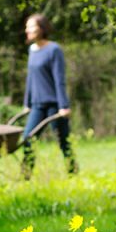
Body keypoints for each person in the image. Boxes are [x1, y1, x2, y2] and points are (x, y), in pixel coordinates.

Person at [20, 14, 78, 179]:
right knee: (28, 139)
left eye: (31, 27)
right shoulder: (32, 50)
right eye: (27, 27)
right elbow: (30, 79)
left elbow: (59, 79)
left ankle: (73, 173)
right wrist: (27, 103)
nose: (27, 30)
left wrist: (64, 106)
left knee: (63, 141)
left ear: (42, 29)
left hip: (55, 104)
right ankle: (25, 176)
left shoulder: (54, 50)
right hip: (38, 105)